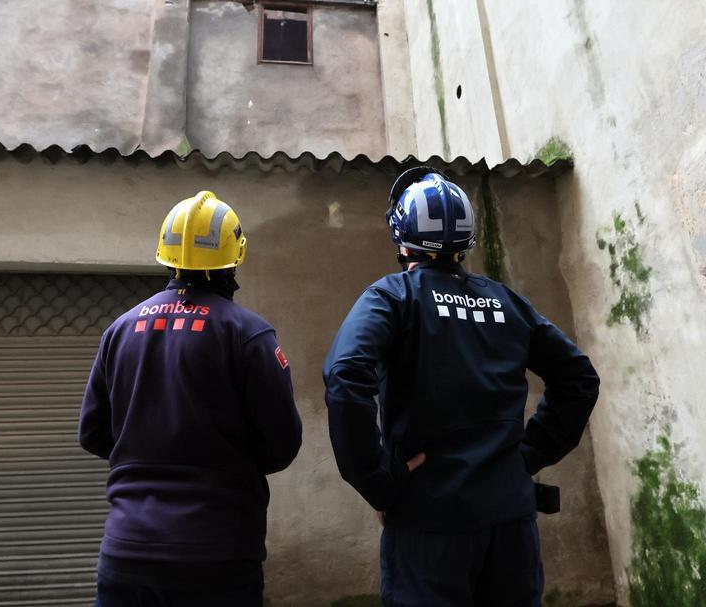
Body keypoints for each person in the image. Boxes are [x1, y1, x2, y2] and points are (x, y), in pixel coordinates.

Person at [323, 167, 600, 607]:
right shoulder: (506, 303)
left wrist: (379, 482)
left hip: (430, 528)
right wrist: (527, 456)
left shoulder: (391, 297)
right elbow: (578, 378)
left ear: (401, 237)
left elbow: (345, 375)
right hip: (512, 526)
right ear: (466, 242)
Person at [79, 190, 302, 607]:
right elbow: (282, 445)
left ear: (165, 256)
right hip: (219, 554)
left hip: (128, 550)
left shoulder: (121, 329)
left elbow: (92, 433)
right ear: (236, 256)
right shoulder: (249, 335)